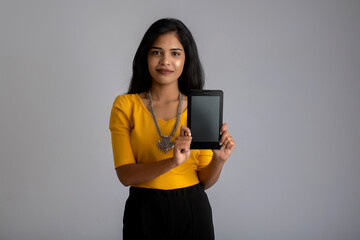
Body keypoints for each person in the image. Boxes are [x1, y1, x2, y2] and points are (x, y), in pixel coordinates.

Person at [109, 18, 235, 240]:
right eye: (156, 52)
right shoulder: (125, 105)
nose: (165, 61)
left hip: (192, 208)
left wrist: (219, 160)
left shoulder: (200, 108)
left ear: (187, 59)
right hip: (143, 208)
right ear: (145, 57)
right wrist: (172, 162)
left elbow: (204, 181)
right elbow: (126, 175)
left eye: (175, 53)